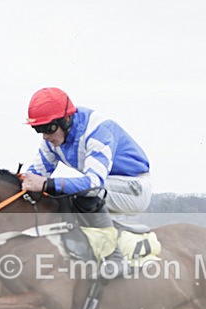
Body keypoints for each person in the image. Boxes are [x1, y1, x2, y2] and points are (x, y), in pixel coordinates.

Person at [21, 87, 151, 279]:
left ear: (66, 120)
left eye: (48, 129)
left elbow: (92, 183)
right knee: (54, 196)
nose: (45, 136)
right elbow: (34, 176)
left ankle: (115, 259)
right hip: (109, 185)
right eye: (38, 129)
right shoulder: (53, 140)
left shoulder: (98, 132)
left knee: (83, 192)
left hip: (134, 189)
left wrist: (47, 184)